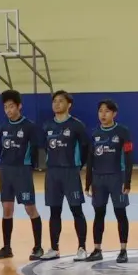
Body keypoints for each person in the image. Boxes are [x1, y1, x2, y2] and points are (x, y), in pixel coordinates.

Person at [0, 90, 43, 260]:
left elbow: (35, 149)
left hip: (22, 170)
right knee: (7, 209)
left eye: (11, 106)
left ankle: (38, 247)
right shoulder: (2, 127)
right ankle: (7, 248)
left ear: (19, 106)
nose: (8, 110)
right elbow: (0, 148)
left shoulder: (29, 126)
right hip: (6, 171)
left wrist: (31, 166)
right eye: (5, 107)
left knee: (30, 208)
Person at [40, 90, 91, 261]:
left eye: (60, 101)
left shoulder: (77, 125)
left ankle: (82, 247)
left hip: (70, 173)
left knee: (76, 210)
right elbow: (45, 148)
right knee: (54, 211)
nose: (56, 104)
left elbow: (85, 148)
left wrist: (78, 165)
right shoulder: (47, 126)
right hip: (52, 173)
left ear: (69, 105)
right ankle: (54, 248)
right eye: (54, 101)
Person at [83, 99, 133, 263]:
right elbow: (90, 160)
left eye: (107, 111)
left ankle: (123, 250)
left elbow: (128, 157)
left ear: (114, 114)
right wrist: (88, 182)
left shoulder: (123, 132)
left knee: (120, 213)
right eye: (100, 111)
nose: (103, 114)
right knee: (99, 214)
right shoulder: (94, 134)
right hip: (98, 179)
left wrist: (127, 181)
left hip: (117, 178)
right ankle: (97, 249)